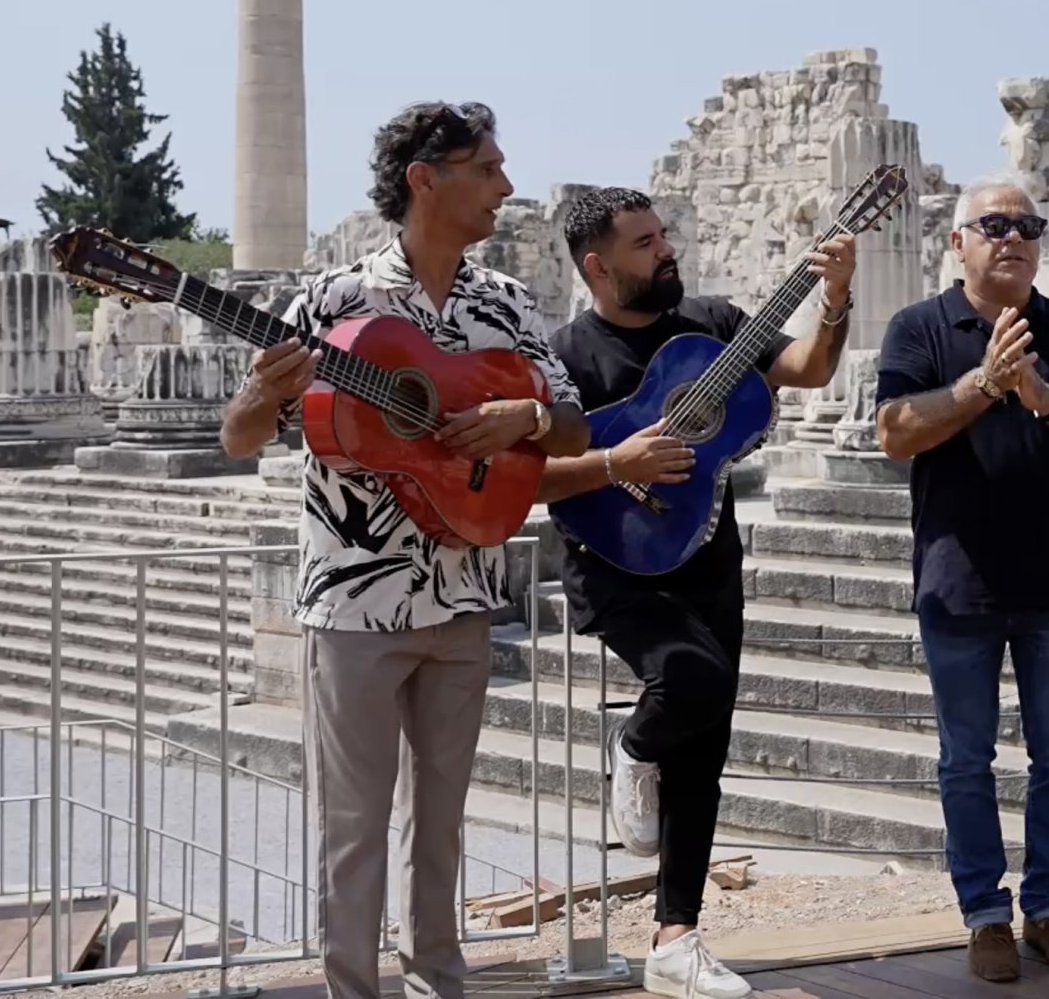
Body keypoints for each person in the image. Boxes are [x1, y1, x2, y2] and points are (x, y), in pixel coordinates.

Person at [219, 102, 593, 999]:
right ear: (428, 179)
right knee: (348, 829)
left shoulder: (504, 303)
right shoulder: (334, 303)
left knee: (442, 825)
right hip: (354, 606)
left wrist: (526, 414)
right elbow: (237, 437)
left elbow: (575, 426)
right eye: (489, 168)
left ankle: (440, 985)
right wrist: (265, 393)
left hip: (464, 597)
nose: (508, 187)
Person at [536, 187, 856, 999]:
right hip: (613, 560)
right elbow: (529, 476)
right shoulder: (564, 355)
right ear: (598, 267)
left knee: (705, 750)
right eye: (645, 244)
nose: (666, 250)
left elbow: (810, 368)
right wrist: (618, 464)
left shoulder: (713, 323)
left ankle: (676, 940)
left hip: (706, 552)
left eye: (664, 234)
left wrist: (839, 295)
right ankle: (633, 747)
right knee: (691, 681)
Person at [873, 175, 1049, 984]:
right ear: (958, 240)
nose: (1014, 236)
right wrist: (984, 385)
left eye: (1028, 224)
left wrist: (1045, 397)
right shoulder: (920, 327)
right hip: (958, 588)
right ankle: (985, 916)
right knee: (966, 763)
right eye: (994, 223)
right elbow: (896, 433)